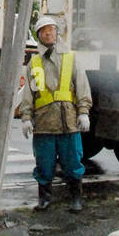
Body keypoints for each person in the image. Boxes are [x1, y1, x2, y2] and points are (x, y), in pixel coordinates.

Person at [18, 13, 92, 212]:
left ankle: (76, 199)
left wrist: (83, 112)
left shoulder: (70, 58)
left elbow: (82, 86)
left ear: (56, 33)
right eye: (44, 31)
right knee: (44, 163)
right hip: (44, 124)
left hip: (69, 122)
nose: (48, 34)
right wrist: (26, 117)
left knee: (73, 162)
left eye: (51, 30)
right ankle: (45, 198)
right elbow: (28, 93)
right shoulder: (34, 63)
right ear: (38, 35)